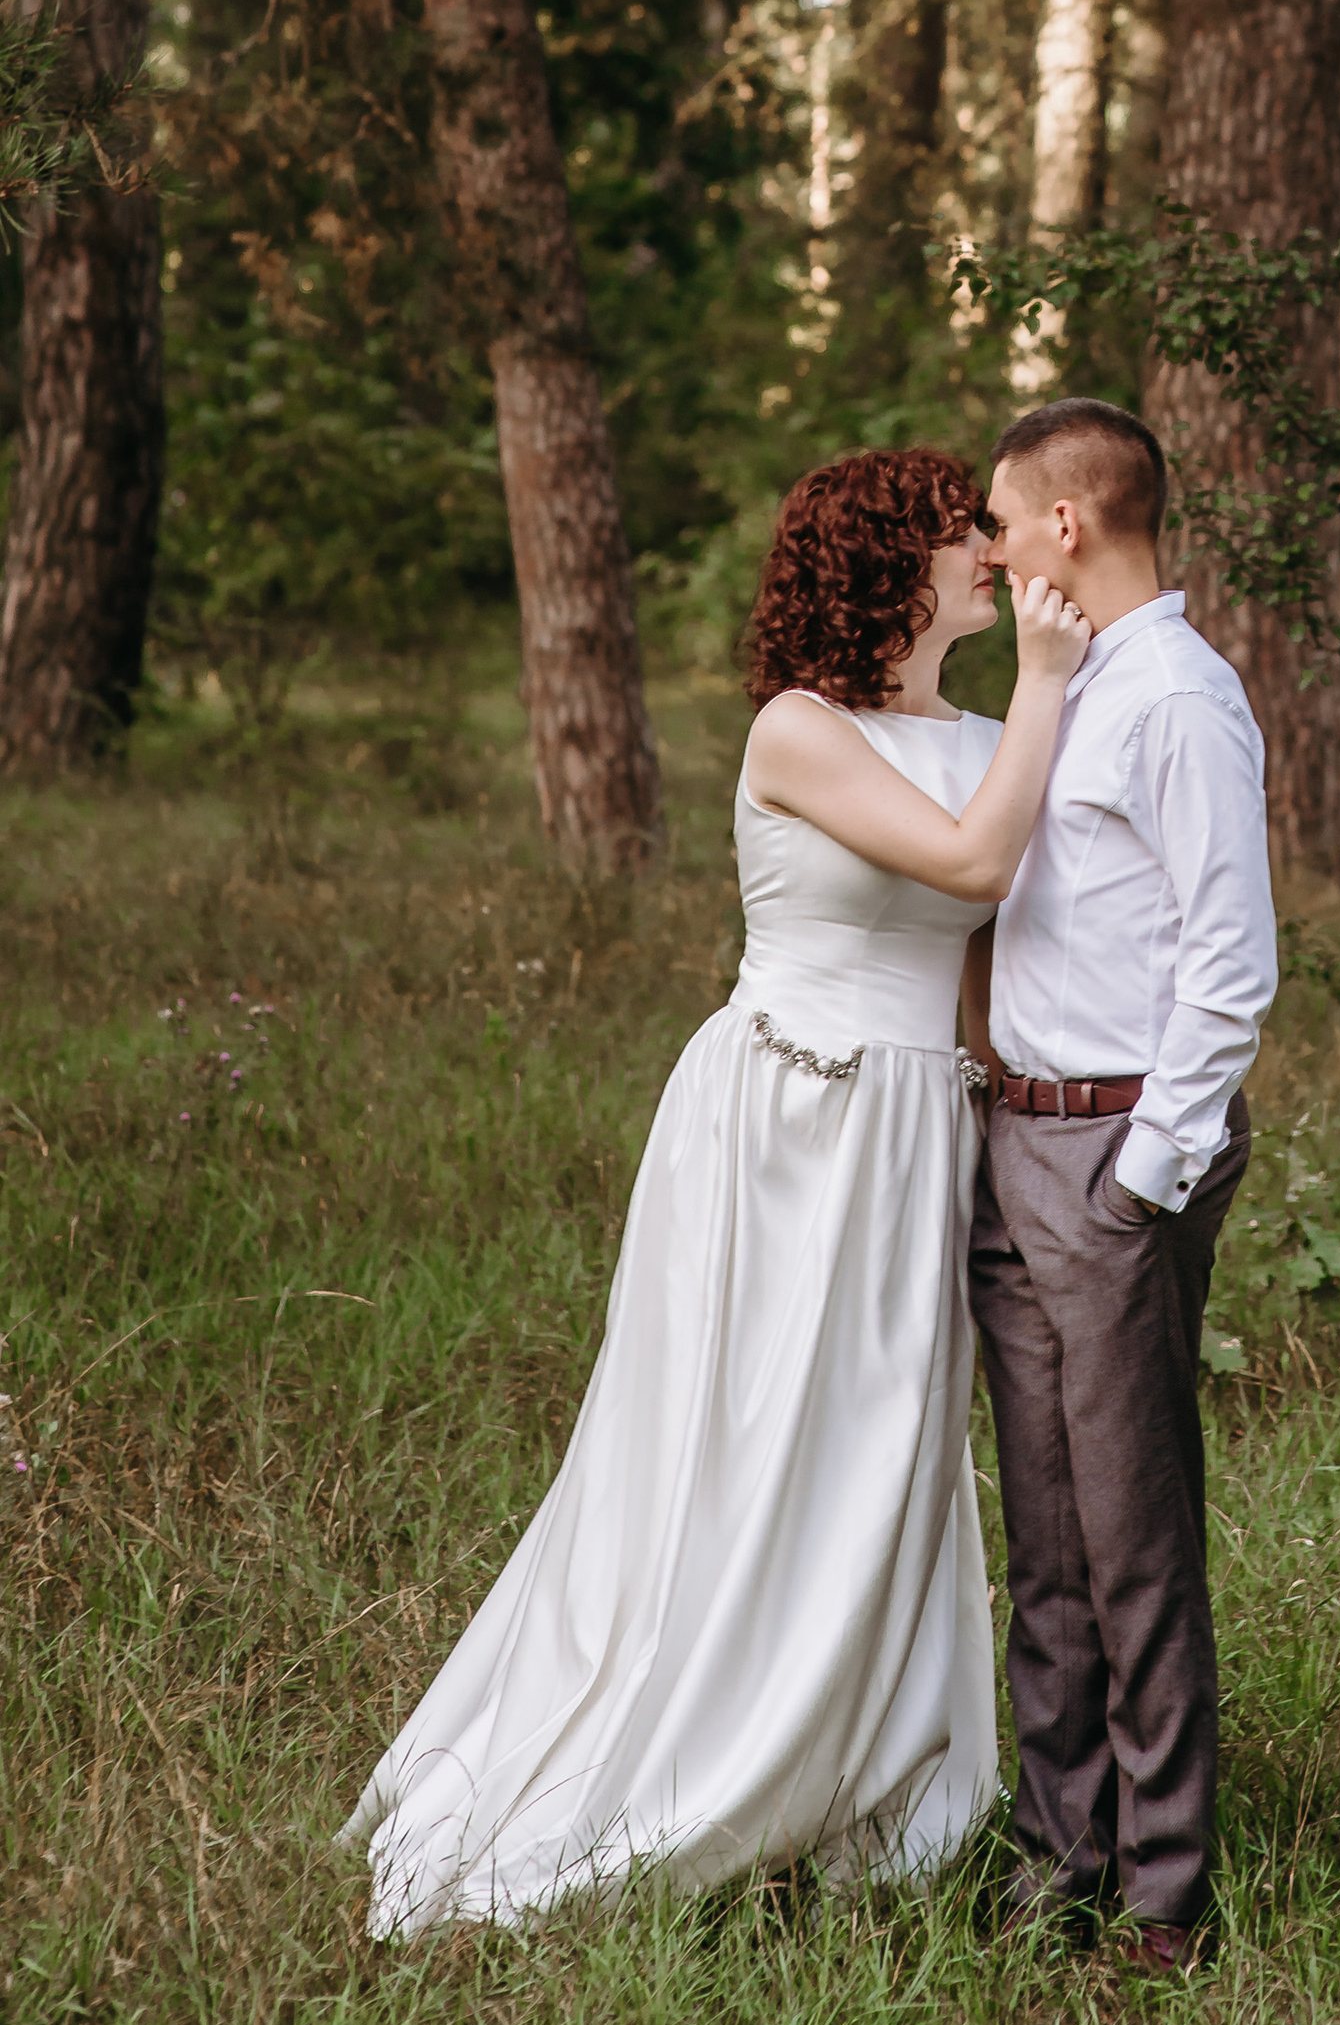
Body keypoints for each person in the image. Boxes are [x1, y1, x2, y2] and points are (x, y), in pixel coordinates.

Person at [341, 446, 1090, 1938]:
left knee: (880, 1455)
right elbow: (972, 857)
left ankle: (856, 1771)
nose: (990, 556)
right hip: (786, 1123)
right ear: (892, 558)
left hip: (915, 1136)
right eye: (961, 533)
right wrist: (1059, 684)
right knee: (741, 1449)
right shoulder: (797, 732)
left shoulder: (979, 727)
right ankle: (689, 1758)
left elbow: (1017, 933)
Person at [969, 396, 1279, 1978]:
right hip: (1014, 1146)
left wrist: (1141, 1180)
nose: (992, 545)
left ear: (1068, 530)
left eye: (1004, 520)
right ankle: (1056, 1851)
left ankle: (1164, 1891)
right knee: (1048, 1529)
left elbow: (1231, 964)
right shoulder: (1067, 685)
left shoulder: (1178, 696)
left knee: (1133, 1529)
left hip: (1112, 1160)